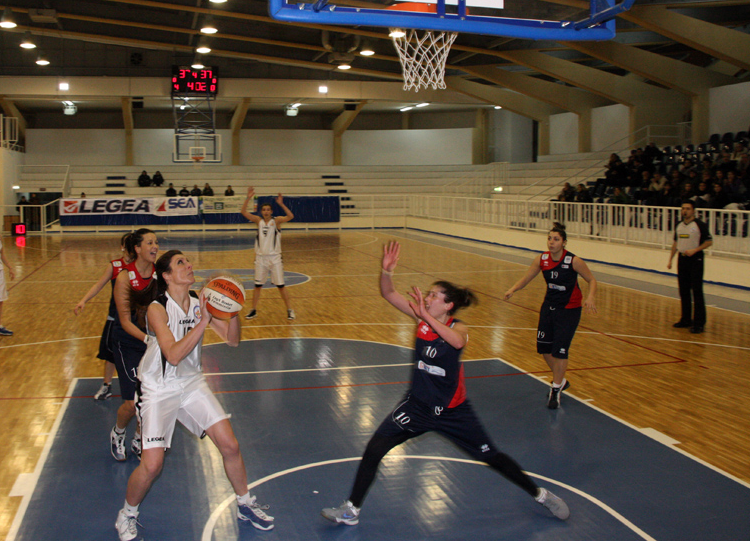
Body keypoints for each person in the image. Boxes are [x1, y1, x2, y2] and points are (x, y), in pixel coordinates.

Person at [320, 241, 570, 527]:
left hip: (454, 412)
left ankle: (540, 495)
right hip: (417, 407)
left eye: (434, 296)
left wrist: (426, 316)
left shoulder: (457, 327)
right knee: (375, 448)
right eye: (428, 294)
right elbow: (387, 293)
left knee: (494, 457)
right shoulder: (421, 317)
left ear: (448, 305)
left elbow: (456, 342)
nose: (427, 298)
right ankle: (352, 510)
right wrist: (386, 271)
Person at [114, 250, 275, 540]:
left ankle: (245, 503)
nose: (189, 265)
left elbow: (233, 340)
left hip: (190, 384)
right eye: (180, 263)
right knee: (152, 465)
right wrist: (203, 320)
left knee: (230, 445)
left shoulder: (202, 300)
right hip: (157, 389)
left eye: (188, 261)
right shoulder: (157, 308)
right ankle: (127, 513)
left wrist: (232, 310)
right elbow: (173, 355)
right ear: (166, 276)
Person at [504, 223, 597, 409]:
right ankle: (560, 380)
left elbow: (591, 279)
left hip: (569, 309)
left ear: (564, 242)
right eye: (549, 238)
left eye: (556, 239)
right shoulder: (542, 259)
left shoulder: (573, 261)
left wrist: (590, 297)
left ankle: (555, 389)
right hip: (549, 307)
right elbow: (527, 278)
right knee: (545, 349)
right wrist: (513, 289)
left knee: (560, 350)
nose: (551, 242)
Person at [108, 229, 159, 461]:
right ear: (138, 248)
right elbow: (126, 321)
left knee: (149, 399)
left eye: (156, 242)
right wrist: (148, 339)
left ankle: (139, 438)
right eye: (150, 242)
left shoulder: (161, 274)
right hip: (127, 342)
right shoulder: (124, 277)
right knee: (132, 402)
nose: (155, 246)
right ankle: (118, 433)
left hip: (151, 342)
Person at [73, 233, 135, 401]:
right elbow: (99, 284)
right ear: (123, 247)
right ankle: (106, 386)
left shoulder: (142, 265)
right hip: (115, 317)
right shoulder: (115, 265)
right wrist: (83, 300)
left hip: (136, 318)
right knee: (110, 354)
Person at [240, 187, 296, 320]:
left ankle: (289, 309)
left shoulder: (276, 221)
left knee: (281, 286)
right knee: (258, 285)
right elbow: (243, 212)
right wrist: (248, 198)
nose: (266, 212)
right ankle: (253, 310)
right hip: (260, 258)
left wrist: (281, 204)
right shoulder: (258, 221)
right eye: (264, 210)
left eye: (268, 210)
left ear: (271, 211)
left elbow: (290, 216)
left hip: (275, 258)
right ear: (261, 211)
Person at [668, 200, 712, 334]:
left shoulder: (699, 225)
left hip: (696, 259)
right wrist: (671, 259)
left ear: (693, 211)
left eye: (687, 208)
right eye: (683, 209)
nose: (685, 211)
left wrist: (696, 250)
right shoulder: (679, 226)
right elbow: (676, 242)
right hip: (682, 259)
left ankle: (699, 323)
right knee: (684, 290)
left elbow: (709, 242)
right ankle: (685, 319)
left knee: (697, 291)